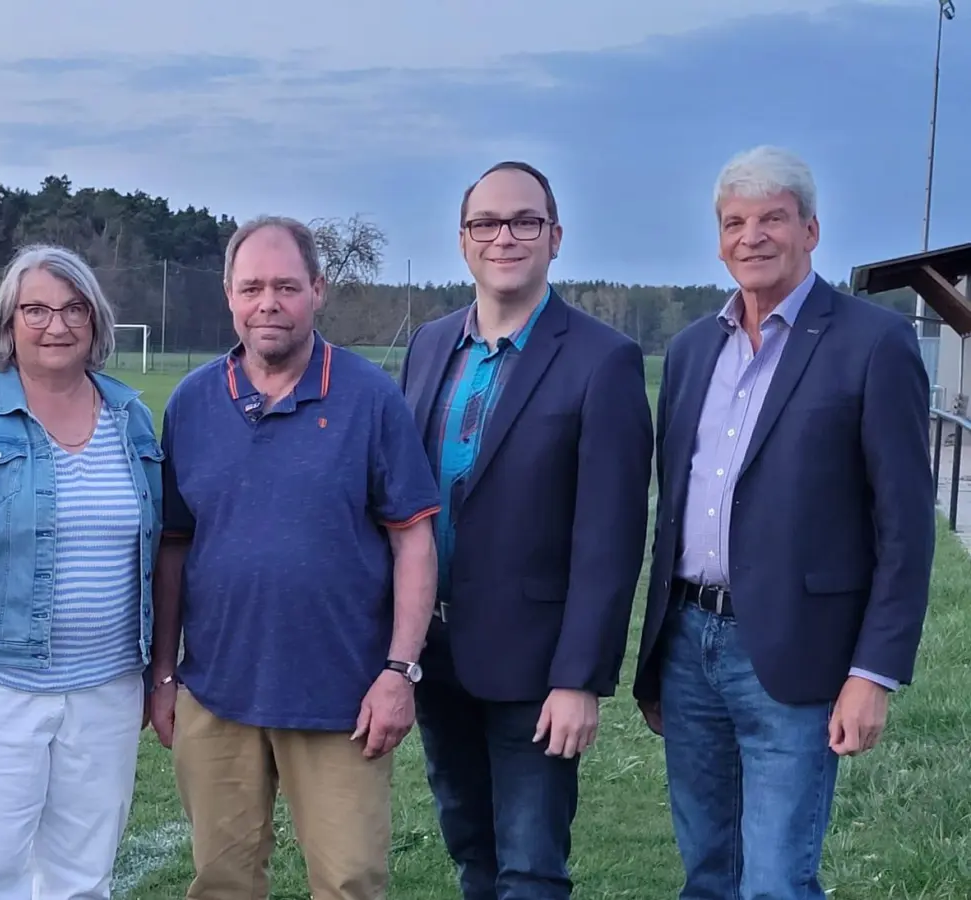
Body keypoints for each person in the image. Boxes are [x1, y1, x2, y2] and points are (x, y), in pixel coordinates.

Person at [632, 145, 936, 899]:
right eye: (734, 222)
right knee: (706, 874)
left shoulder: (872, 343)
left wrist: (872, 673)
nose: (751, 236)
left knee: (774, 880)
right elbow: (671, 507)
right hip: (688, 646)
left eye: (772, 218)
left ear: (810, 228)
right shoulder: (693, 348)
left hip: (798, 658)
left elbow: (904, 525)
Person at [147, 215, 441, 900]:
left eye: (285, 286)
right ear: (228, 295)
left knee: (348, 882)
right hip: (217, 691)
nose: (267, 304)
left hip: (340, 695)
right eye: (251, 288)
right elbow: (173, 549)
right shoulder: (192, 403)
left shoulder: (370, 397)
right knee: (221, 881)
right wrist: (163, 673)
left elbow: (413, 539)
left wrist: (399, 670)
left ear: (317, 289)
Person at [396, 161, 653, 899]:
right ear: (462, 239)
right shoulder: (430, 345)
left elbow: (610, 538)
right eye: (486, 223)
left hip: (535, 668)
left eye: (523, 222)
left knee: (530, 867)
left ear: (554, 236)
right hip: (435, 658)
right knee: (471, 849)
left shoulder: (601, 360)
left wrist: (578, 679)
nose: (503, 237)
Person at [0, 244, 163, 899]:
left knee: (81, 877)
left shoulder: (130, 419)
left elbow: (155, 550)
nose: (57, 325)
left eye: (74, 308)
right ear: (8, 323)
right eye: (37, 309)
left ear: (96, 322)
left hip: (106, 689)